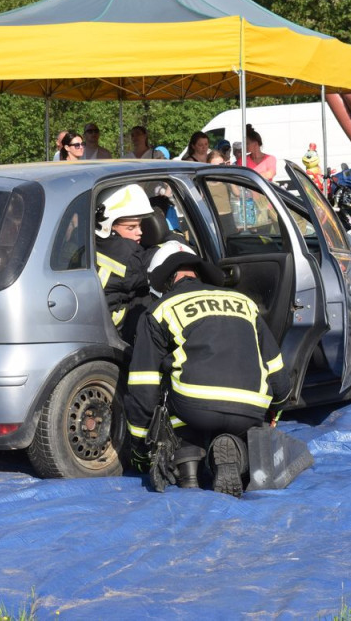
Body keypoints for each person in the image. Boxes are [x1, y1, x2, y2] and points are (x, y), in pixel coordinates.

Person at [126, 245, 292, 497]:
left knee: (169, 385)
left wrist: (139, 446)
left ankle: (187, 468)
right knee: (242, 428)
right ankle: (234, 452)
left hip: (194, 406)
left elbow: (144, 384)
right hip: (250, 405)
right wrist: (275, 409)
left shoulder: (161, 308)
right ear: (200, 276)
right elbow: (276, 368)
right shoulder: (244, 302)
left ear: (167, 282)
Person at [94, 183, 155, 340]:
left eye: (140, 225)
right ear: (109, 226)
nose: (139, 232)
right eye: (131, 227)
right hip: (117, 330)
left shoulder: (91, 242)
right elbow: (154, 269)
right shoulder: (128, 252)